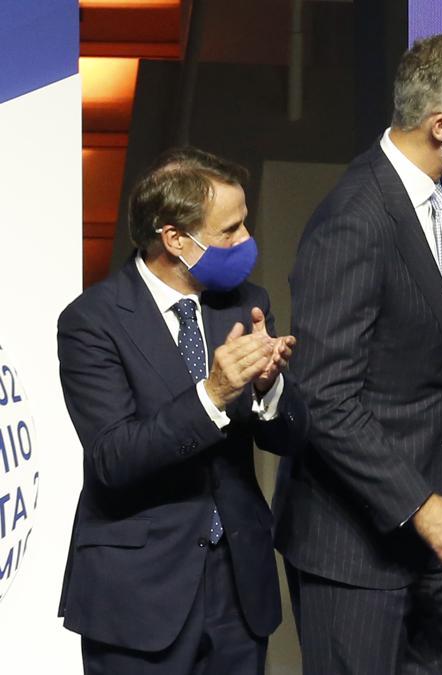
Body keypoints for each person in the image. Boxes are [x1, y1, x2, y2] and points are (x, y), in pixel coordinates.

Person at [273, 33, 442, 674]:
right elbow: (322, 394)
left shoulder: (422, 189)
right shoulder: (357, 217)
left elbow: (411, 316)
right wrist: (420, 504)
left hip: (417, 542)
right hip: (354, 547)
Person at [57, 147, 306, 674]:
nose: (247, 242)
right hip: (139, 595)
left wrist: (269, 390)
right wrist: (212, 394)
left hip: (239, 589)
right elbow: (113, 458)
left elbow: (289, 439)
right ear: (175, 239)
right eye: (230, 230)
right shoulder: (92, 321)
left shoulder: (245, 301)